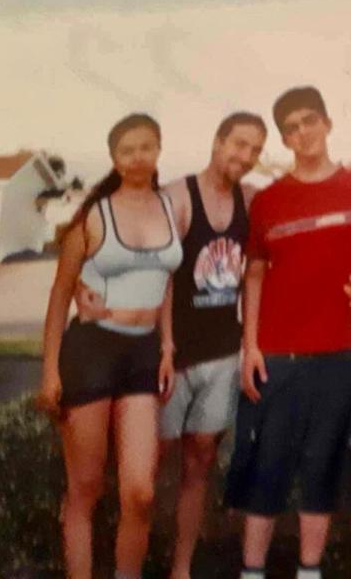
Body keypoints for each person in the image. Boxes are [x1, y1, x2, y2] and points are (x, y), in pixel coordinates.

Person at [78, 112, 268, 578]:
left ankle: (180, 568)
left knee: (200, 463)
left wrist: (251, 345)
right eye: (237, 144)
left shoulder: (252, 201)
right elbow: (146, 262)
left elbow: (255, 276)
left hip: (222, 355)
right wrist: (94, 293)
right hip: (169, 357)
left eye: (255, 150)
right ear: (217, 141)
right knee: (143, 474)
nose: (244, 157)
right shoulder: (178, 198)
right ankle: (128, 561)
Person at [224, 86, 351, 579]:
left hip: (344, 352)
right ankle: (252, 570)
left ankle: (310, 569)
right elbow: (254, 274)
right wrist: (251, 346)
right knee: (267, 466)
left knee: (323, 465)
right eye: (291, 128)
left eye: (309, 121)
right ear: (284, 139)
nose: (302, 133)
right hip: (278, 354)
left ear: (327, 122)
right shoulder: (269, 202)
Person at [37, 113, 182, 579]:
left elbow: (166, 282)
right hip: (91, 352)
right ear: (114, 159)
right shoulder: (92, 217)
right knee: (86, 488)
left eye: (147, 146)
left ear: (159, 150)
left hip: (143, 355)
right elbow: (61, 295)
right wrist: (50, 373)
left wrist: (167, 346)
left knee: (140, 492)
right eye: (127, 149)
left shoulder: (171, 208)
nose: (138, 156)